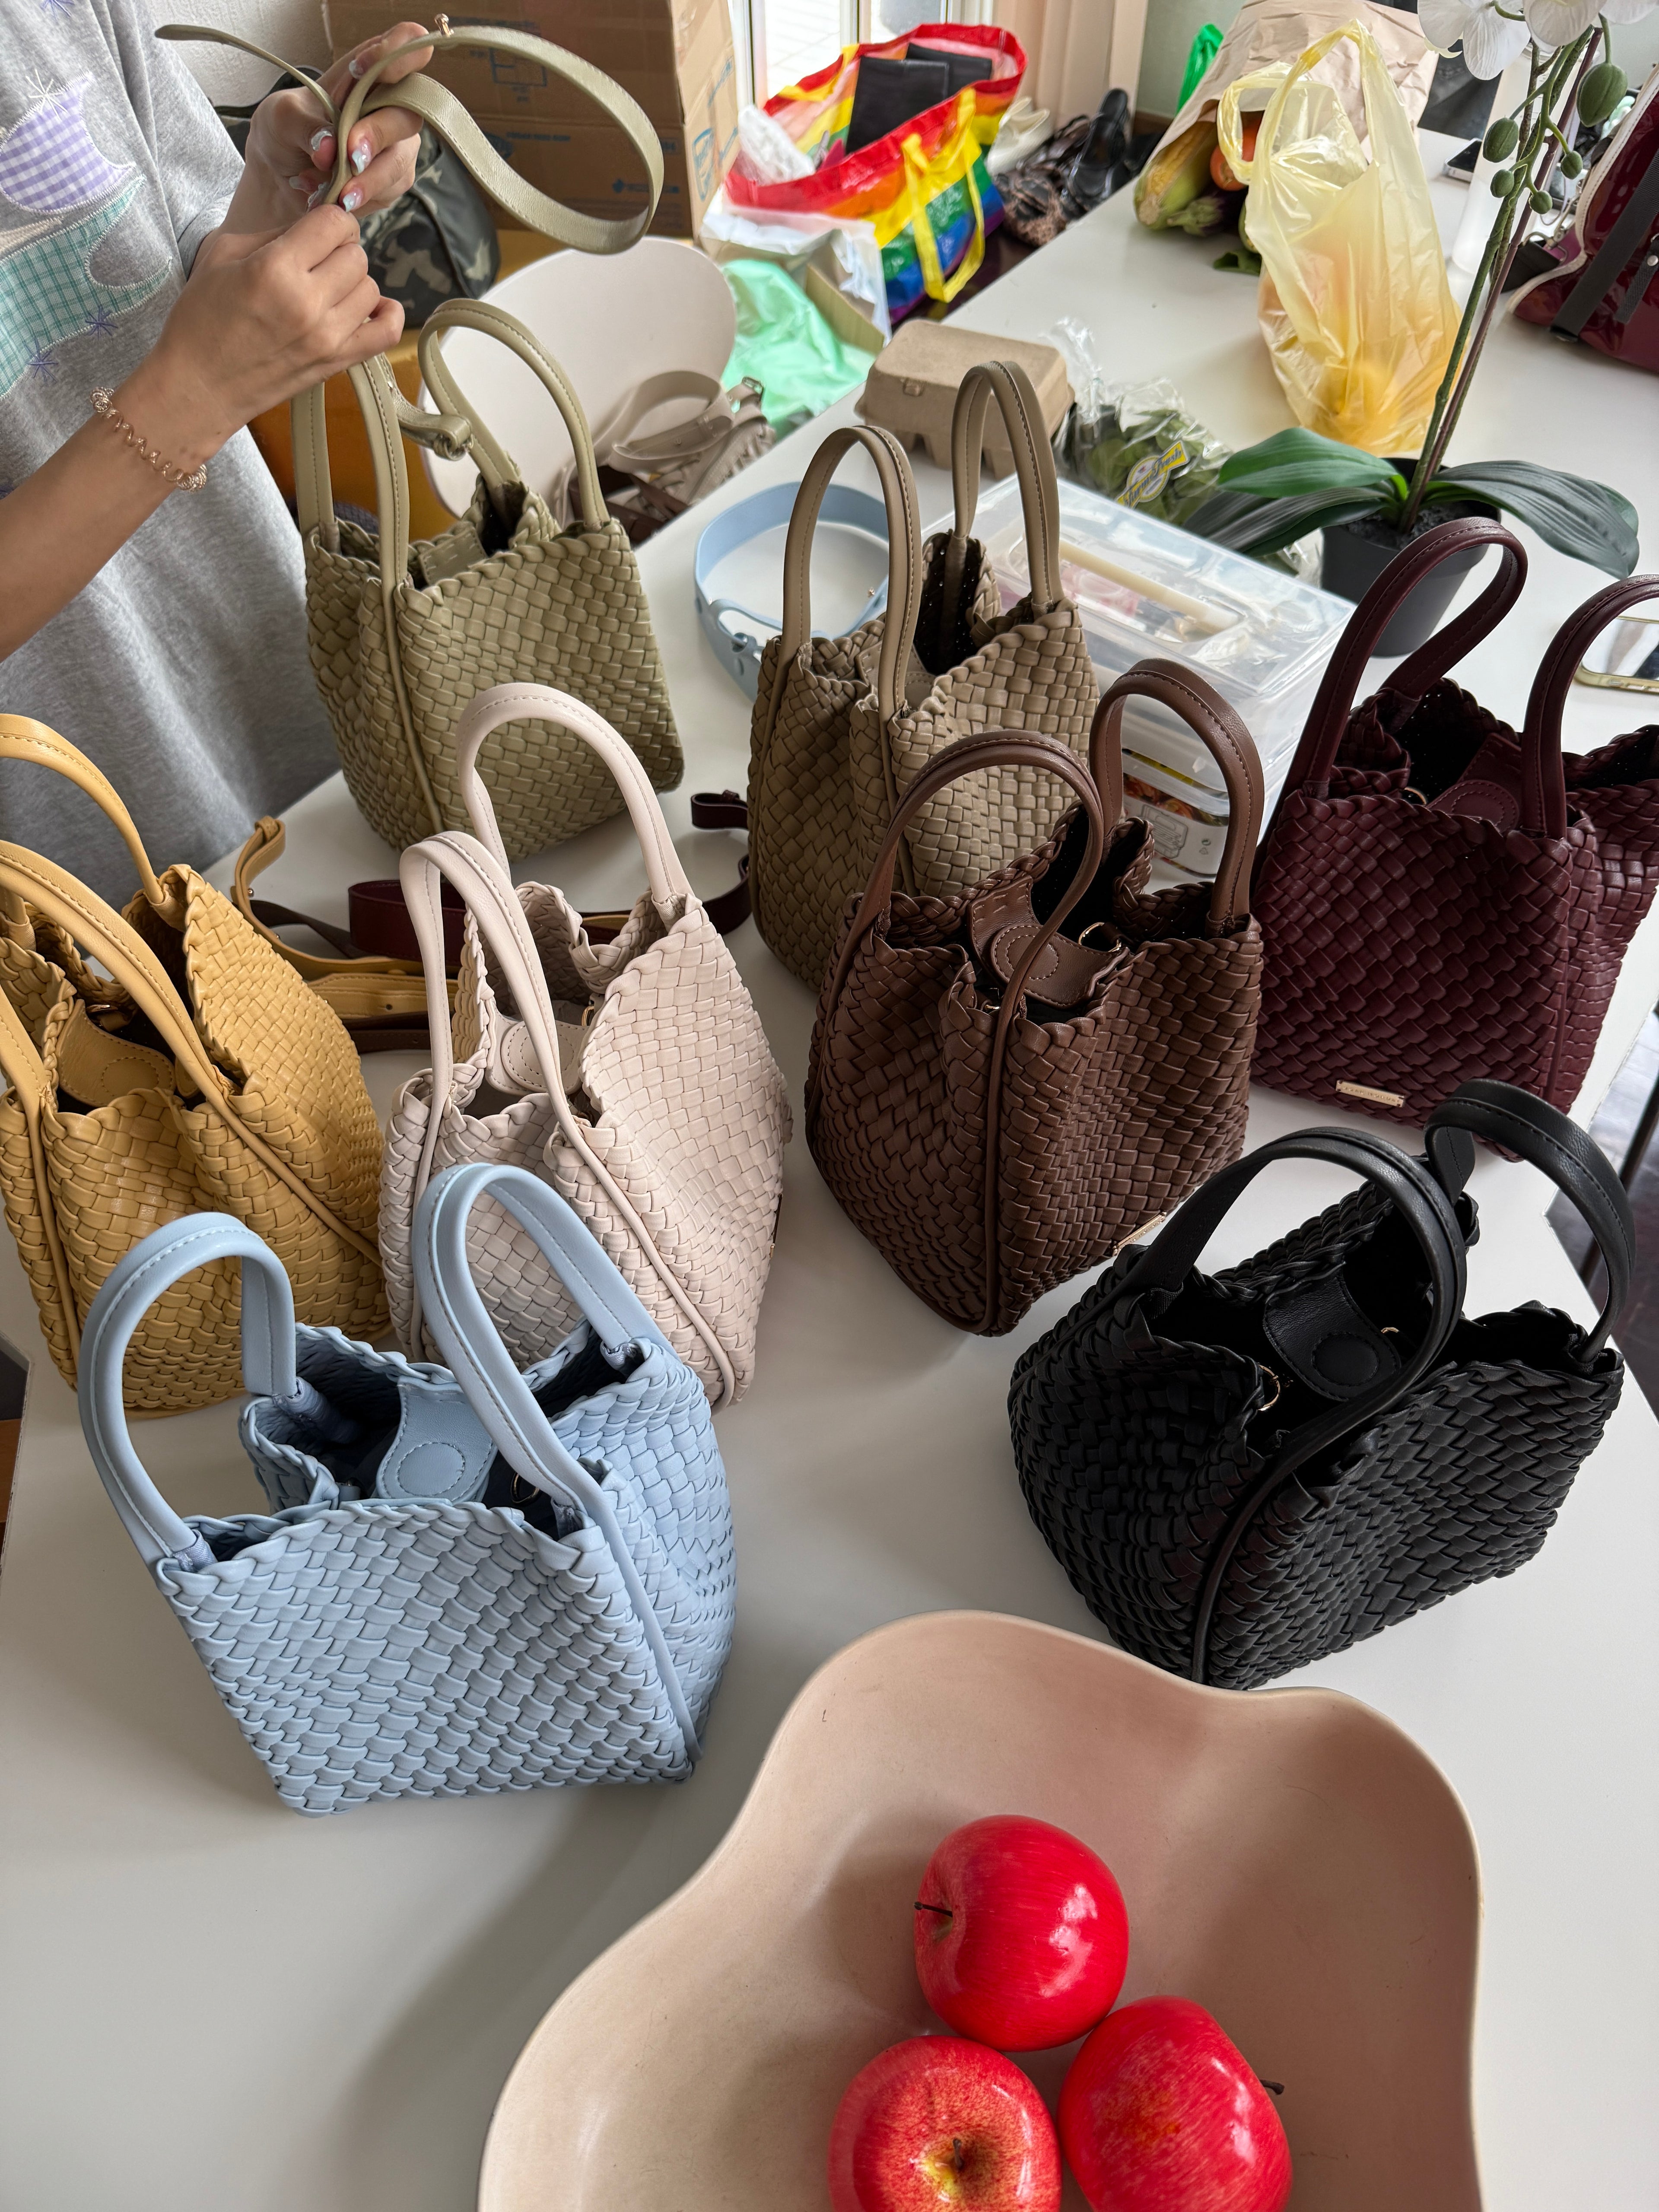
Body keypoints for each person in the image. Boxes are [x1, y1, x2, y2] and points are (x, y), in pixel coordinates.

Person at [0, 3, 434, 900]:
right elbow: (192, 377)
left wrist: (278, 199)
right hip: (74, 893)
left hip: (275, 709)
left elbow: (181, 276)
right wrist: (192, 397)